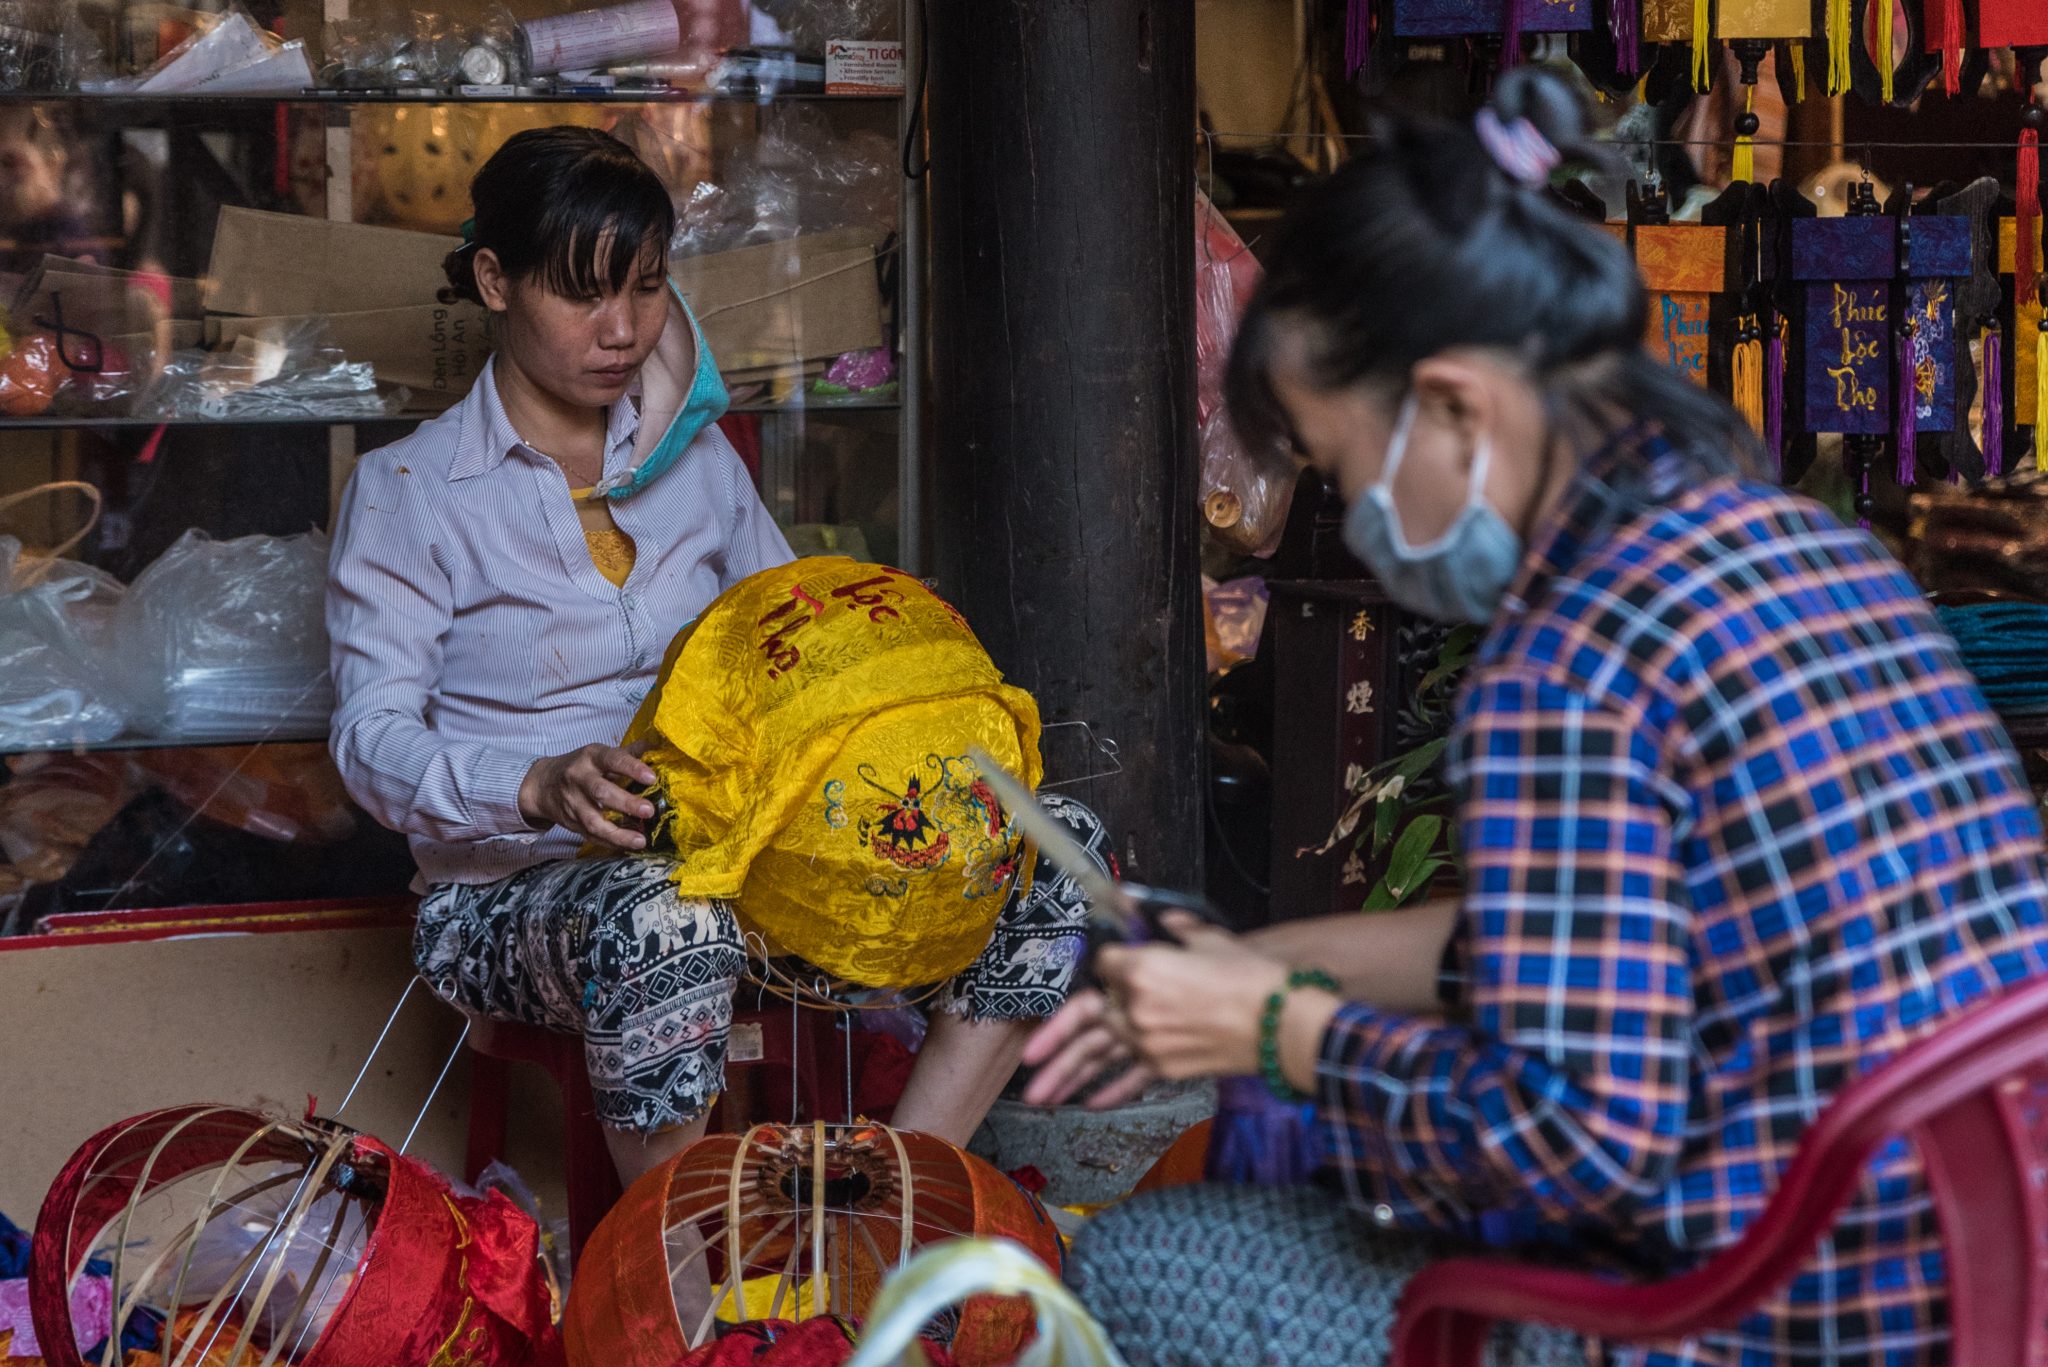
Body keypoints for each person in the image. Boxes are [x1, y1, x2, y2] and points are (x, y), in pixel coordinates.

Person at [1025, 69, 2048, 1367]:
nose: (1356, 514)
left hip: (1758, 1312)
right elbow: (1601, 942)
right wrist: (1261, 960)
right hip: (1957, 1264)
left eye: (1340, 464)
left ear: (1455, 404)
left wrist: (1279, 1031)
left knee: (1130, 1263)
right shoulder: (1799, 545)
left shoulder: (1572, 654)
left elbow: (1576, 1142)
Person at [328, 127, 1090, 1193]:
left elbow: (802, 636)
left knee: (1046, 842)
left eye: (644, 289)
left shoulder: (698, 467)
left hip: (734, 862)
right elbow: (369, 740)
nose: (623, 330)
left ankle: (897, 1189)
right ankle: (677, 1268)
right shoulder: (410, 492)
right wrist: (536, 784)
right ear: (495, 280)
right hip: (510, 897)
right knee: (659, 911)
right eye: (582, 294)